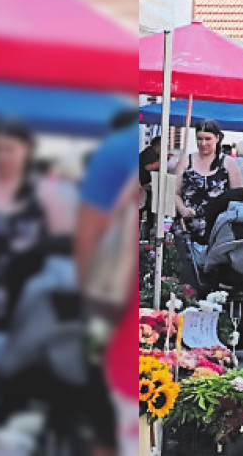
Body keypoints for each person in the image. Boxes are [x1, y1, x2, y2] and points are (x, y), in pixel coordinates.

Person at [0, 119, 75, 400]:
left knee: (18, 388)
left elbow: (64, 254)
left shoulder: (46, 194)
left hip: (28, 308)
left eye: (9, 149)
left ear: (27, 150)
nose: (1, 156)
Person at [74, 122, 139, 456]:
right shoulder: (117, 153)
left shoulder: (114, 151)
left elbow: (87, 233)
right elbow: (88, 233)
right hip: (114, 305)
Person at [173, 120, 243, 287]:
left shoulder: (228, 163)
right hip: (187, 227)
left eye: (207, 139)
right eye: (199, 139)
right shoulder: (186, 161)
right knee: (187, 277)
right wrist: (182, 209)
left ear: (217, 139)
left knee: (214, 277)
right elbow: (175, 192)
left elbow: (238, 197)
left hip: (218, 231)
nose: (203, 143)